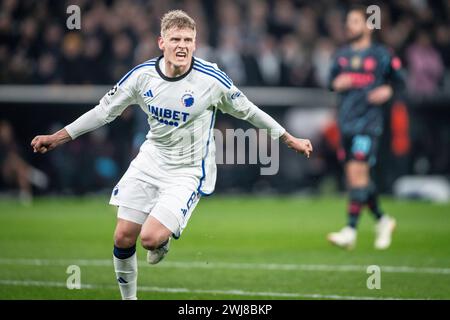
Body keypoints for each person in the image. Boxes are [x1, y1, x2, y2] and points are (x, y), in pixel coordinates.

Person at [30, 10, 313, 300]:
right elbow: (104, 112)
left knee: (149, 239)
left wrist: (288, 138)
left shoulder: (211, 80)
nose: (182, 45)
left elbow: (250, 111)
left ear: (195, 43)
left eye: (188, 40)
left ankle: (160, 241)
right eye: (175, 39)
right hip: (151, 160)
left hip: (187, 171)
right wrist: (58, 137)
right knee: (122, 236)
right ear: (161, 42)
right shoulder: (142, 77)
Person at [327, 6, 403, 250]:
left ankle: (350, 230)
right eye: (348, 21)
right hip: (346, 123)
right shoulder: (341, 56)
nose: (350, 26)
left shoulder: (382, 55)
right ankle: (383, 220)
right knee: (357, 179)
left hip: (368, 124)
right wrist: (336, 84)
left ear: (369, 26)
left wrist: (388, 90)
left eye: (355, 21)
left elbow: (401, 82)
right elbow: (330, 82)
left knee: (358, 174)